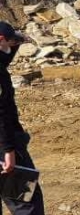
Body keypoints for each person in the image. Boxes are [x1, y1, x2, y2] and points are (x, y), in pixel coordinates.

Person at [0, 22, 44, 215]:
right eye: (10, 42)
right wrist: (8, 149)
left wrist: (16, 41)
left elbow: (4, 59)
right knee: (26, 202)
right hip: (5, 147)